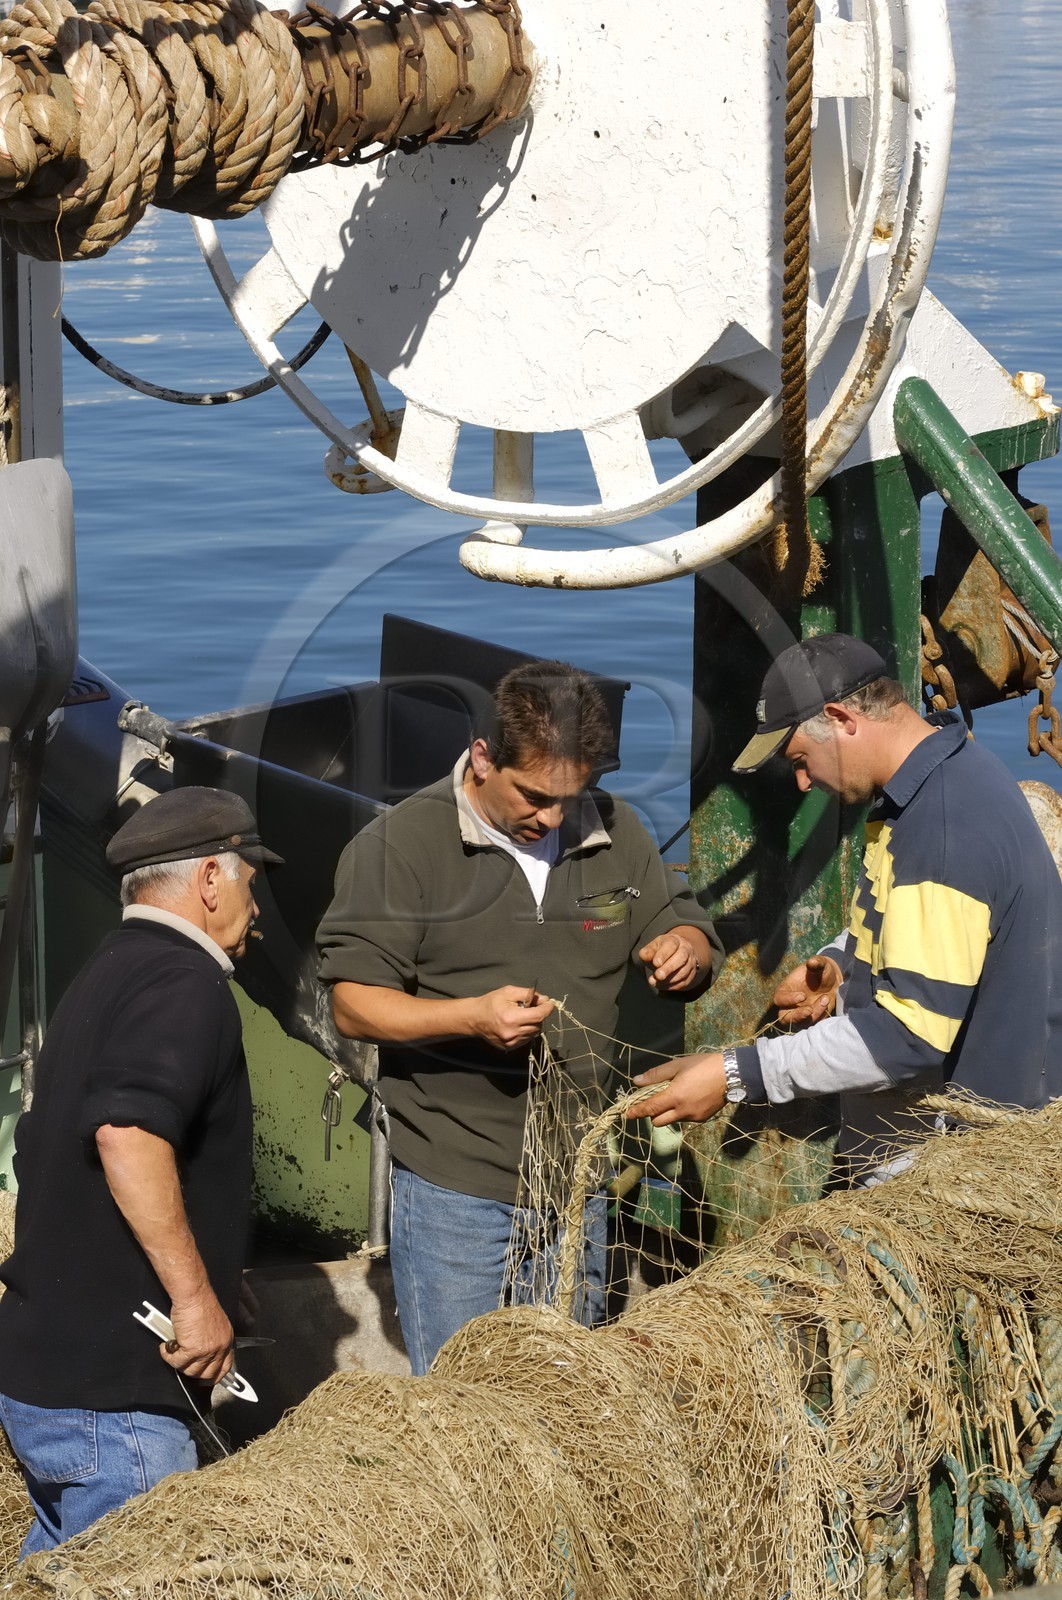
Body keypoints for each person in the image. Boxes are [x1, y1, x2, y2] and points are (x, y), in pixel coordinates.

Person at [318, 659, 722, 1373]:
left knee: (562, 1395)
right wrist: (471, 1017)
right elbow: (353, 1004)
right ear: (482, 757)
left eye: (578, 794)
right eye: (536, 796)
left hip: (577, 1186)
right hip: (454, 1191)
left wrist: (685, 951)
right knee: (463, 1399)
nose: (556, 818)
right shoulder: (398, 849)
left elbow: (679, 920)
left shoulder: (616, 831)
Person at [629, 633, 1062, 1176]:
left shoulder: (943, 828)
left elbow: (909, 1037)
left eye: (802, 759)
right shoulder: (936, 780)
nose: (806, 782)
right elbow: (919, 928)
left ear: (841, 718)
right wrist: (843, 967)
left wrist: (736, 1073)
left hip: (971, 1162)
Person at [0, 786, 283, 1554]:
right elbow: (127, 1135)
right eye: (251, 886)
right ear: (211, 881)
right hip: (117, 1401)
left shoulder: (109, 968)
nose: (256, 910)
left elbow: (46, 1148)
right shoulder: (186, 985)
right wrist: (194, 1298)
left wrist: (217, 1265)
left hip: (53, 1375)